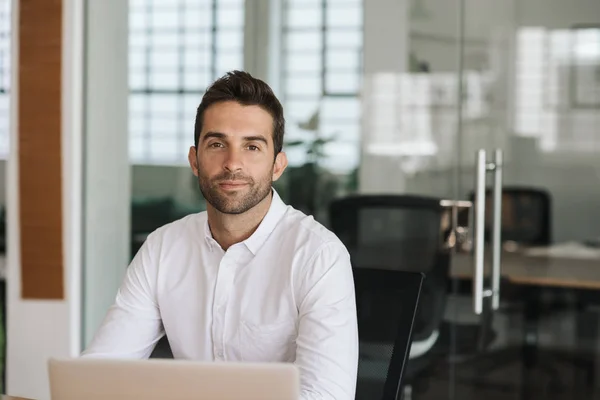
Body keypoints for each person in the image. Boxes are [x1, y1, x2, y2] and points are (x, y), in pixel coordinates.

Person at [82, 70, 359, 399]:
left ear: (277, 165)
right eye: (217, 144)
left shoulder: (319, 255)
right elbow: (100, 374)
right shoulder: (162, 248)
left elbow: (326, 396)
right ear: (195, 160)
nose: (232, 163)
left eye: (252, 146)